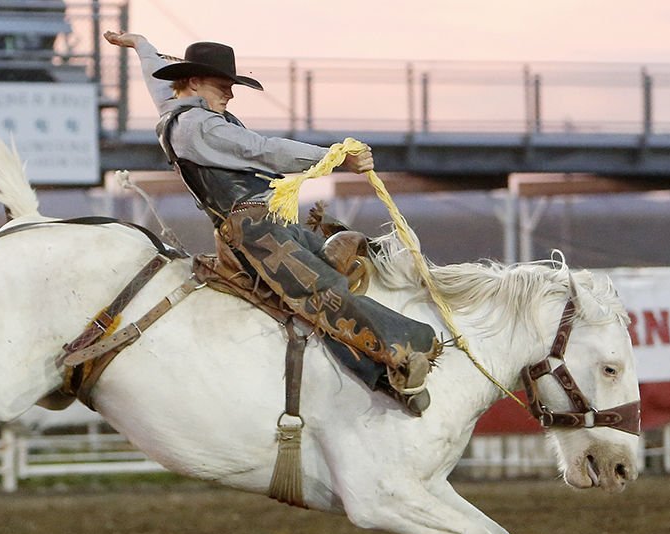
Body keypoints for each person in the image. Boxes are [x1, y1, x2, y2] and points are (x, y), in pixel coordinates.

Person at [104, 31, 438, 416]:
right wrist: (333, 159)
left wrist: (140, 46)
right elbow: (260, 150)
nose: (229, 95)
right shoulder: (199, 126)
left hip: (269, 222)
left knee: (352, 260)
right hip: (256, 234)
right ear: (194, 83)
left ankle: (377, 370)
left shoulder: (178, 110)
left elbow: (156, 78)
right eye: (222, 86)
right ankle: (402, 352)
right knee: (321, 291)